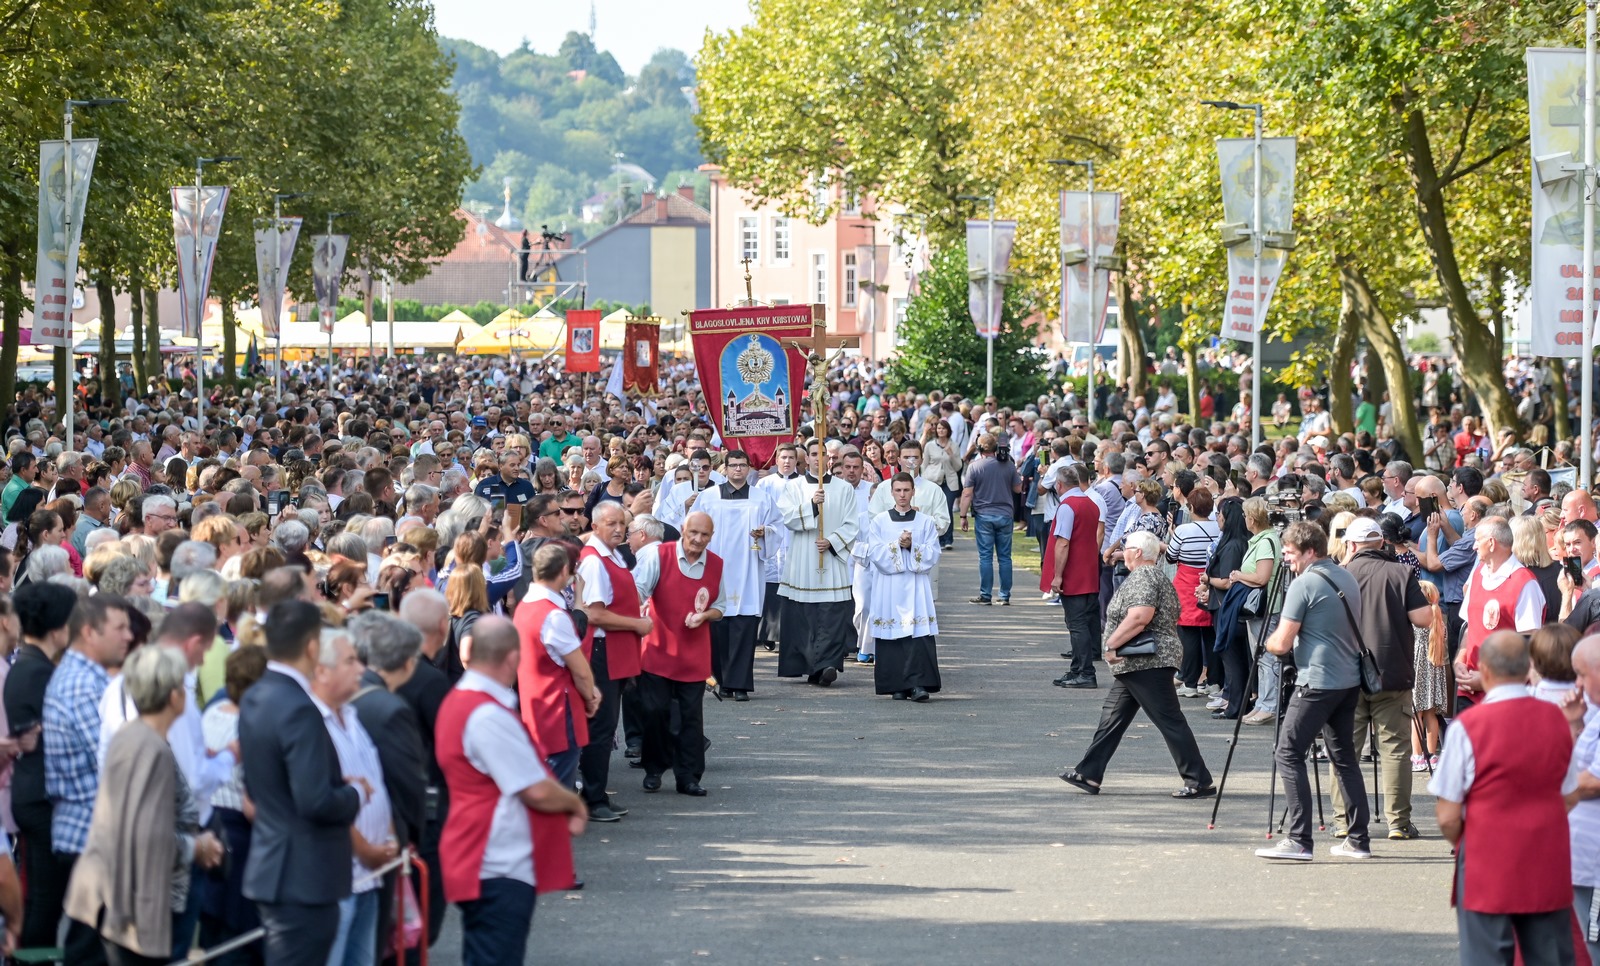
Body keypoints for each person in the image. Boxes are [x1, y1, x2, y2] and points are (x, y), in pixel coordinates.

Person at [435, 616, 584, 966]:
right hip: (496, 860)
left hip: (481, 853)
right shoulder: (486, 712)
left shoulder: (464, 701)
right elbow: (534, 789)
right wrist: (573, 802)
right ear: (512, 658)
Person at [65, 645, 224, 966]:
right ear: (173, 695)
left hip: (111, 896)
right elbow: (147, 838)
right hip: (129, 907)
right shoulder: (150, 750)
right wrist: (198, 847)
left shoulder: (132, 736)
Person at [1431, 631, 1576, 966]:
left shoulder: (1469, 725)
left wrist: (1467, 838)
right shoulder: (1556, 719)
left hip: (1487, 859)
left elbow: (1448, 815)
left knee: (1486, 956)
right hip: (1546, 857)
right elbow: (1568, 794)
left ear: (1484, 669)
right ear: (1527, 667)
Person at [239, 599, 364, 964]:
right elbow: (315, 801)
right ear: (312, 646)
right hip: (304, 876)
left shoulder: (256, 694)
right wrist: (356, 792)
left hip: (277, 867)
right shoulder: (297, 706)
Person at [1059, 531, 1213, 797]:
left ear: (1138, 552)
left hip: (1147, 661)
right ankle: (1089, 773)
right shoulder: (1151, 576)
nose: (1122, 552)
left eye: (1126, 548)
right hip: (1138, 663)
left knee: (1169, 720)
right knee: (1112, 717)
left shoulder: (1144, 576)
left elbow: (1141, 616)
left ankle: (1198, 780)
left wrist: (1111, 644)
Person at [1255, 521, 1372, 862]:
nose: (1286, 560)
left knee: (1288, 752)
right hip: (1348, 679)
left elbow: (1282, 641)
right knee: (1344, 758)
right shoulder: (1345, 575)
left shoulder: (1304, 583)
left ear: (1309, 551)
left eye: (1290, 554)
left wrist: (1267, 643)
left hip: (1317, 681)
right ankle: (1358, 839)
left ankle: (1299, 839)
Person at [44, 593, 132, 965]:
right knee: (92, 954)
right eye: (120, 628)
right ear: (88, 632)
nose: (128, 636)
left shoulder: (91, 679)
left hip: (91, 834)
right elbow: (114, 764)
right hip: (90, 836)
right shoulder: (83, 684)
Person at [1334, 517, 1431, 840]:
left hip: (1345, 675)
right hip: (1391, 671)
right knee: (1395, 749)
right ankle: (1398, 823)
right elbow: (1423, 619)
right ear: (1381, 543)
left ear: (1351, 545)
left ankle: (1343, 821)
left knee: (1344, 748)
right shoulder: (1401, 573)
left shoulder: (1339, 575)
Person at [347, 612, 429, 962]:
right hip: (380, 842)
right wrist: (413, 836)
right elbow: (409, 784)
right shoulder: (390, 708)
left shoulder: (359, 697)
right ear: (409, 662)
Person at [313, 625, 394, 966]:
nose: (361, 669)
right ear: (321, 670)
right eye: (350, 661)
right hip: (340, 878)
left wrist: (387, 839)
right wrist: (368, 850)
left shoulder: (351, 714)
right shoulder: (311, 722)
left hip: (369, 876)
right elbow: (322, 800)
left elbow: (375, 782)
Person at [631, 511, 725, 796]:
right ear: (683, 530)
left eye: (704, 535)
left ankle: (689, 777)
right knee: (655, 712)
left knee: (690, 718)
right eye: (693, 532)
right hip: (658, 649)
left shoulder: (716, 564)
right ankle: (654, 767)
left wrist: (704, 615)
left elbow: (720, 608)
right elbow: (638, 592)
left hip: (693, 654)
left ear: (711, 537)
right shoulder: (661, 556)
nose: (698, 539)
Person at [5, 582, 71, 951]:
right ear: (57, 625)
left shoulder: (34, 665)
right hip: (38, 795)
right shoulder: (35, 671)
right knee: (45, 899)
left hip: (35, 792)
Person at [575, 502, 649, 823]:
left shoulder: (613, 554)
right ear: (595, 526)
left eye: (622, 523)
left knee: (605, 727)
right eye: (610, 523)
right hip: (601, 651)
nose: (618, 529)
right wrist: (636, 625)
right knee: (600, 727)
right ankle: (593, 798)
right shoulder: (594, 561)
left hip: (613, 649)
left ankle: (597, 793)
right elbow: (594, 612)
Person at [515, 544, 599, 792]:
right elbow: (580, 670)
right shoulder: (553, 615)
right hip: (559, 709)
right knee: (559, 782)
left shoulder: (525, 606)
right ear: (564, 571)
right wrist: (590, 695)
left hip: (535, 703)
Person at [696, 450, 780, 700]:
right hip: (716, 570)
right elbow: (694, 528)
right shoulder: (708, 498)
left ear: (749, 468)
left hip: (748, 570)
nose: (738, 470)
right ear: (725, 468)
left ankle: (740, 684)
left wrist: (765, 532)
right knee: (718, 630)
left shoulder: (761, 498)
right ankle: (723, 682)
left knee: (743, 628)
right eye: (733, 465)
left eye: (742, 466)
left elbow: (778, 527)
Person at [775, 439, 859, 686]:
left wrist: (832, 541)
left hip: (831, 560)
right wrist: (812, 504)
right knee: (804, 616)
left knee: (832, 615)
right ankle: (811, 665)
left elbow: (853, 523)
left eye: (822, 454)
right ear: (807, 458)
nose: (817, 458)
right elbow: (788, 517)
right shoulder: (795, 487)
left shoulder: (844, 489)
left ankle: (827, 665)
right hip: (803, 558)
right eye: (812, 454)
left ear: (828, 459)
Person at [1456, 516, 1546, 713]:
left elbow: (1529, 645)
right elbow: (1470, 626)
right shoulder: (1479, 574)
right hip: (1470, 689)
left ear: (1491, 543)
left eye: (1477, 540)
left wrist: (1492, 678)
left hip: (1507, 695)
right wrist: (1460, 660)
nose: (1473, 546)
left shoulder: (1524, 583)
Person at [867, 474, 943, 702]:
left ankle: (918, 684)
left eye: (906, 490)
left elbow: (933, 553)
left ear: (913, 492)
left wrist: (913, 546)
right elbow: (874, 553)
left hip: (915, 586)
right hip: (888, 587)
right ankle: (895, 685)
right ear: (891, 492)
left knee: (917, 634)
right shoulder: (879, 521)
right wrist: (897, 546)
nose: (902, 495)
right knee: (892, 635)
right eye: (898, 490)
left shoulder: (925, 522)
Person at [1047, 464, 1105, 689]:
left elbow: (1063, 542)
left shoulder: (1067, 506)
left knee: (1076, 624)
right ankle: (1077, 669)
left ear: (1059, 485)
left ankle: (1085, 672)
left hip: (1074, 573)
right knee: (1082, 621)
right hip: (1089, 570)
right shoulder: (1090, 503)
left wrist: (1057, 576)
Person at [958, 433, 1021, 605]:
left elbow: (967, 493)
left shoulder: (975, 467)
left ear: (979, 449)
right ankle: (1004, 595)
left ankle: (985, 595)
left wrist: (963, 516)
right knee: (1005, 557)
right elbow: (1017, 488)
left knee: (985, 557)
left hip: (984, 515)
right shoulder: (1008, 465)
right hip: (1005, 514)